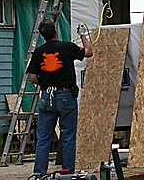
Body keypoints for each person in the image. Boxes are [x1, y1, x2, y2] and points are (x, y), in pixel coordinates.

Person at [27, 20, 93, 176]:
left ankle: (39, 174)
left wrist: (46, 82)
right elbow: (89, 52)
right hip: (66, 96)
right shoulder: (67, 47)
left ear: (43, 35)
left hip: (46, 97)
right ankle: (67, 173)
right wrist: (83, 35)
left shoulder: (38, 53)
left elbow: (33, 79)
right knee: (68, 136)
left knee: (43, 138)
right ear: (55, 31)